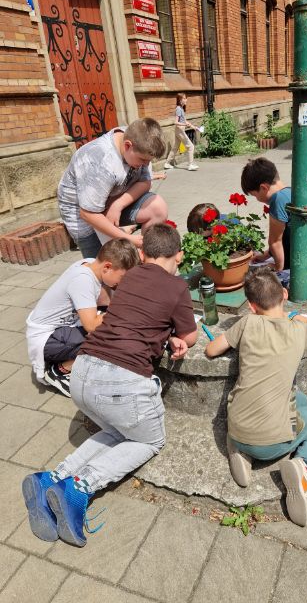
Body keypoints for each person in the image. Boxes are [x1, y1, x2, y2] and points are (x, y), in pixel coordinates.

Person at [22, 224, 198, 547]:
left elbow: (127, 317)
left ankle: (53, 478)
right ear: (179, 256)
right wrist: (178, 336)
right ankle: (80, 486)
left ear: (142, 254)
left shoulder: (128, 278)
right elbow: (190, 336)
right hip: (122, 381)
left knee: (121, 430)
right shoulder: (176, 286)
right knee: (150, 440)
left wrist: (163, 333)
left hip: (81, 373)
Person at [205, 267, 307, 527]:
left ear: (252, 306)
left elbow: (211, 350)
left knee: (299, 400)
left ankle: (241, 452)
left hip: (237, 427)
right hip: (273, 443)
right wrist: (294, 316)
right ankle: (303, 466)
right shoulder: (298, 329)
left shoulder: (247, 323)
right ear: (284, 294)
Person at [26, 239, 139, 397]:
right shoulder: (83, 280)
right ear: (107, 267)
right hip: (46, 338)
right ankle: (59, 371)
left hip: (59, 328)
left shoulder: (91, 264)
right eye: (122, 278)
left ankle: (70, 358)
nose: (122, 283)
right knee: (107, 339)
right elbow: (91, 325)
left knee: (111, 326)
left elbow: (104, 301)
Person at [58, 118, 169, 258]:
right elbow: (87, 214)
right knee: (108, 263)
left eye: (149, 161)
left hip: (112, 201)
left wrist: (118, 205)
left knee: (157, 207)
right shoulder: (99, 160)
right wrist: (127, 239)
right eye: (142, 160)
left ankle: (148, 261)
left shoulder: (139, 139)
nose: (146, 165)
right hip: (84, 216)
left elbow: (145, 182)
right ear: (127, 146)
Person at [241, 157, 307, 284]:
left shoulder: (277, 200)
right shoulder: (293, 191)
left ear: (263, 187)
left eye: (255, 195)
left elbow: (275, 242)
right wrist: (266, 255)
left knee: (277, 281)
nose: (257, 200)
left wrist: (277, 268)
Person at [164, 93, 200, 172]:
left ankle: (167, 163)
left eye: (186, 98)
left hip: (179, 130)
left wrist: (194, 127)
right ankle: (190, 165)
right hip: (180, 130)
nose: (186, 100)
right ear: (180, 100)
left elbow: (184, 120)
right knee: (190, 146)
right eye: (184, 98)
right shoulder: (179, 109)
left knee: (175, 147)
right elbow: (176, 122)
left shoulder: (181, 108)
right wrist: (185, 124)